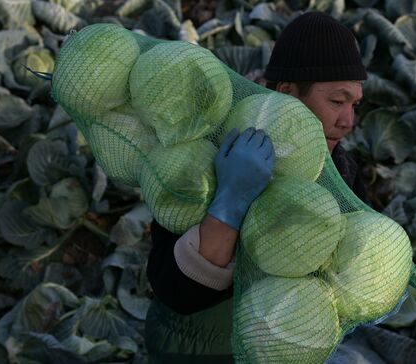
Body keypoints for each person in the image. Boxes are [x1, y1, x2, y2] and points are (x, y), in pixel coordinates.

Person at [145, 11, 368, 364]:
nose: (347, 122)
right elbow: (175, 292)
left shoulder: (343, 172)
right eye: (337, 102)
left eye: (355, 104)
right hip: (197, 350)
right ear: (286, 92)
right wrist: (228, 203)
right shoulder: (206, 159)